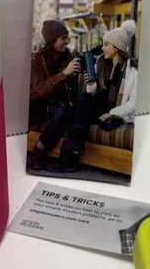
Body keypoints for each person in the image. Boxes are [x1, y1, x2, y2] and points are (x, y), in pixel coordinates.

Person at [53, 19, 138, 172]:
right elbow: (93, 92)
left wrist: (112, 113)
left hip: (115, 112)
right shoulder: (101, 64)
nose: (102, 48)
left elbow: (132, 104)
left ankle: (67, 161)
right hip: (99, 108)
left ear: (117, 47)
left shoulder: (133, 71)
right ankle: (73, 152)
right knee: (84, 99)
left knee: (79, 113)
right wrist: (90, 83)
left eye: (106, 44)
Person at [28, 19, 81, 170]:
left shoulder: (69, 57)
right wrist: (64, 73)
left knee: (62, 112)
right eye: (63, 38)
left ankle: (38, 153)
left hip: (58, 105)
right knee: (29, 107)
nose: (67, 41)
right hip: (37, 103)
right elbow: (42, 89)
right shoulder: (36, 61)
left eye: (67, 37)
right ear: (52, 41)